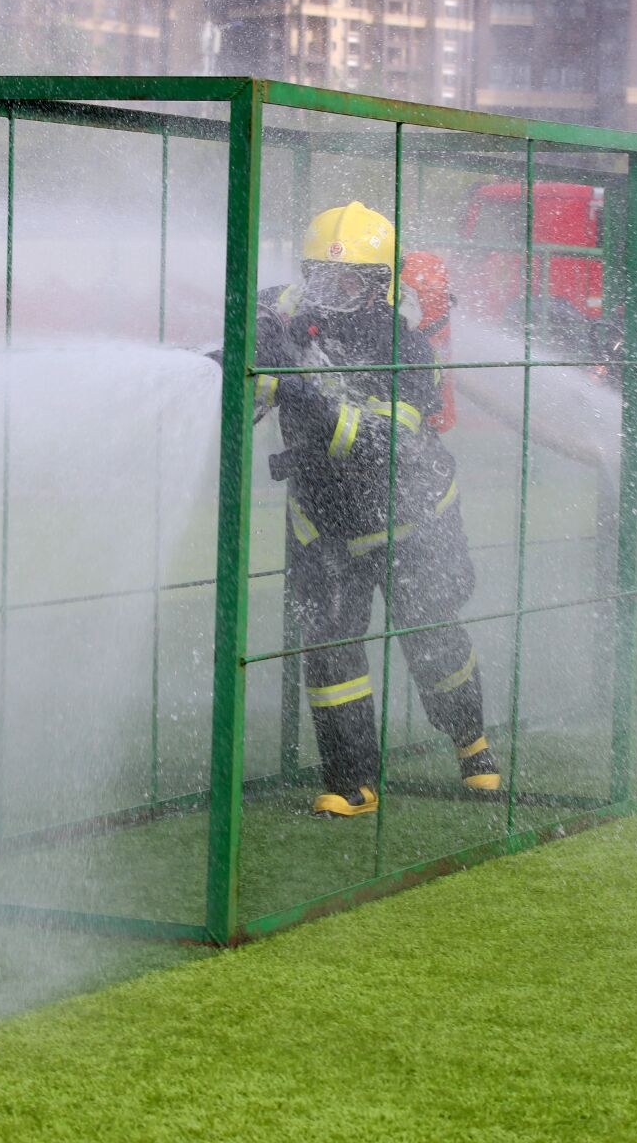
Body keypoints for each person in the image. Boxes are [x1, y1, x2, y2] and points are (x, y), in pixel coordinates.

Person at [255, 202, 501, 818]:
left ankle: (471, 742)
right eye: (320, 278)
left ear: (378, 286)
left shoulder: (407, 349)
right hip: (322, 518)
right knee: (330, 650)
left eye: (346, 283)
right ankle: (352, 783)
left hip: (411, 518)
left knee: (431, 637)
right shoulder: (292, 314)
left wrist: (299, 392)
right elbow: (260, 318)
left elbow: (382, 446)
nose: (330, 294)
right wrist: (251, 337)